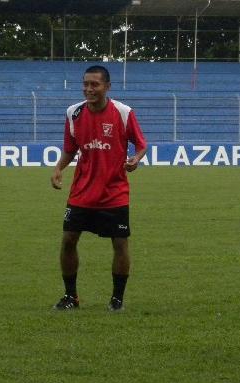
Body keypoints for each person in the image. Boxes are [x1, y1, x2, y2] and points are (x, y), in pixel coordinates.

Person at [50, 65, 147, 312]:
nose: (89, 89)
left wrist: (135, 160)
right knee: (68, 240)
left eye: (95, 84)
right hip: (81, 191)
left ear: (107, 87)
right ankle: (71, 297)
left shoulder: (123, 113)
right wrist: (59, 167)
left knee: (120, 244)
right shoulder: (74, 113)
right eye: (86, 84)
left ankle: (117, 300)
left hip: (114, 192)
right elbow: (71, 148)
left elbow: (141, 145)